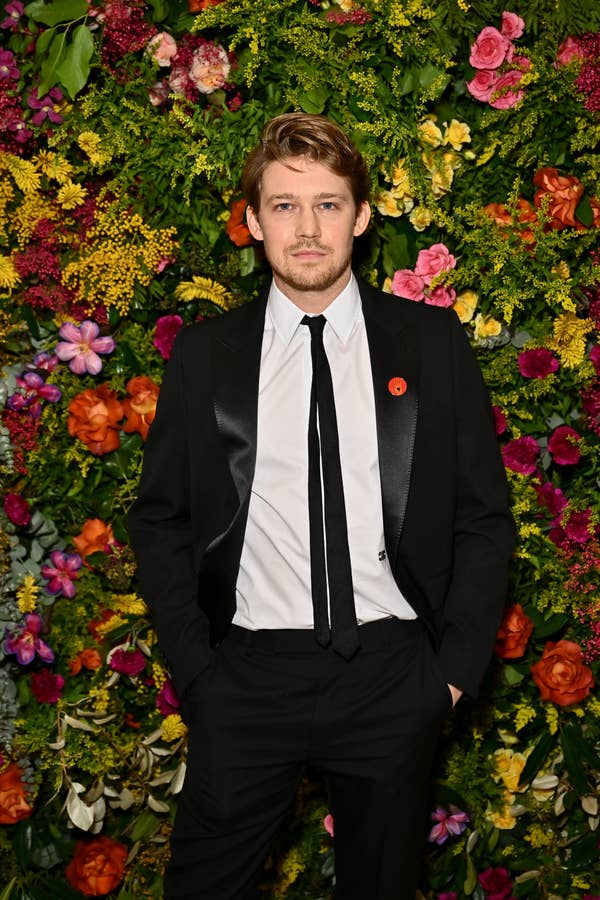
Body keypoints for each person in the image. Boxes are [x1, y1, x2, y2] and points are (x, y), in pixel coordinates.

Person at [128, 113, 514, 900]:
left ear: (363, 217)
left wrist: (448, 676)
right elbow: (161, 516)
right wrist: (199, 673)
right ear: (253, 222)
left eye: (329, 205)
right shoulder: (206, 357)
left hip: (391, 674)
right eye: (284, 205)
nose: (308, 229)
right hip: (246, 677)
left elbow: (483, 517)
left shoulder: (431, 346)